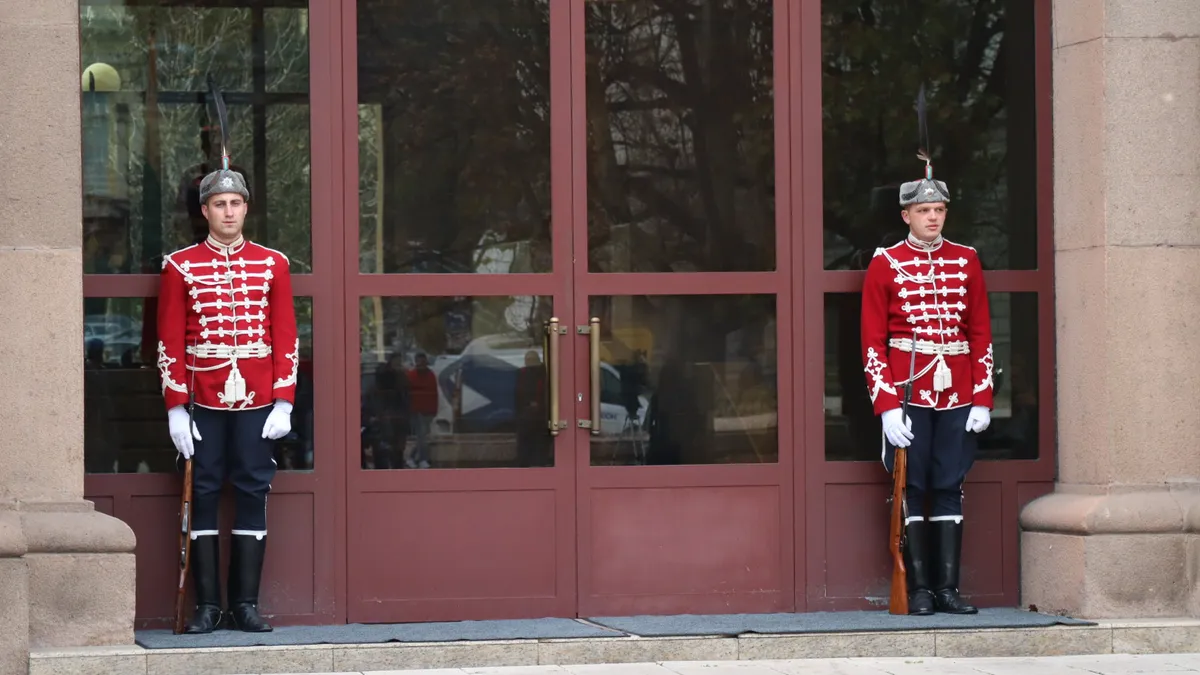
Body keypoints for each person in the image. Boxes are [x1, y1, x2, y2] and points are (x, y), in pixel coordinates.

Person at [156, 132, 298, 633]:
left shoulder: (273, 263)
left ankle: (245, 605)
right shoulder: (179, 266)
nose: (230, 212)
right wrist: (176, 406)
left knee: (254, 490)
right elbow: (170, 340)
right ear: (206, 210)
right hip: (202, 400)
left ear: (246, 208)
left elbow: (286, 336)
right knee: (206, 492)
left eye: (237, 202)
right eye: (220, 203)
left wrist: (284, 401)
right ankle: (207, 607)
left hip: (258, 397)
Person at [859, 154, 994, 616]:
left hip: (956, 391)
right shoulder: (886, 263)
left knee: (949, 485)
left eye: (938, 210)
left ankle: (947, 589)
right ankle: (917, 590)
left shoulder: (967, 260)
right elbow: (873, 340)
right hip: (908, 391)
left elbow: (980, 332)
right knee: (912, 487)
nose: (932, 217)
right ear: (906, 216)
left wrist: (983, 396)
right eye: (923, 211)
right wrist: (887, 405)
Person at [408, 353, 438, 468]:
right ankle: (422, 459)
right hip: (416, 410)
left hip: (428, 410)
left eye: (423, 362)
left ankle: (411, 458)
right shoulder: (411, 375)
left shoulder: (431, 375)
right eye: (419, 362)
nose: (421, 364)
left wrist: (434, 410)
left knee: (422, 437)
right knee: (422, 437)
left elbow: (434, 394)